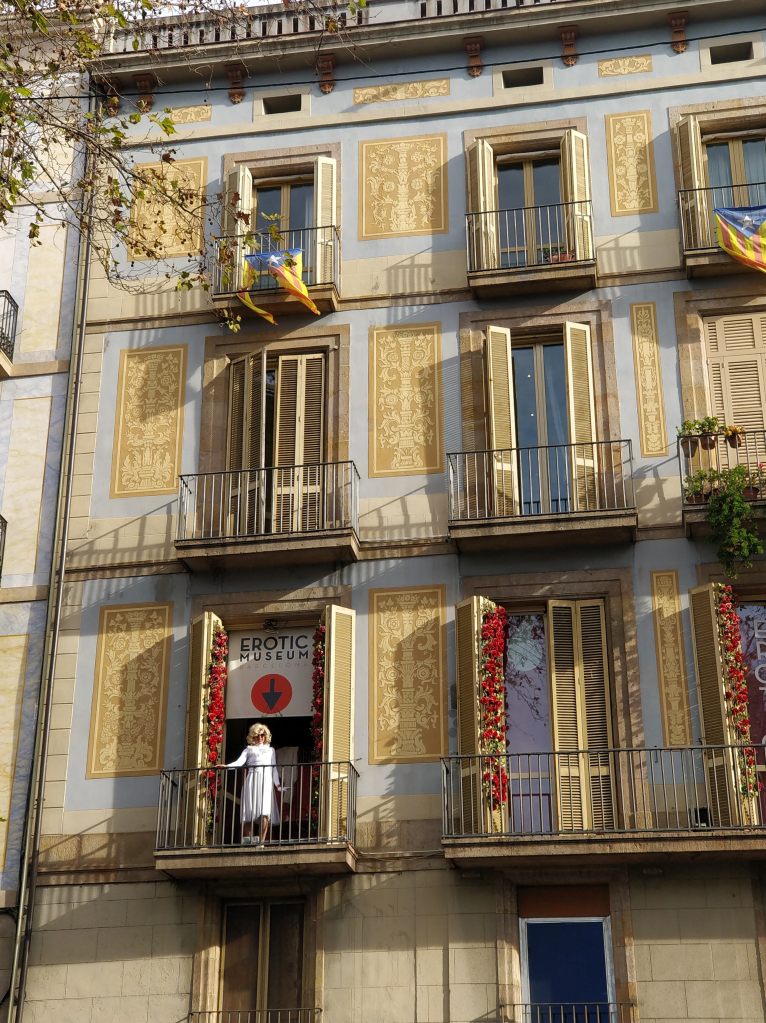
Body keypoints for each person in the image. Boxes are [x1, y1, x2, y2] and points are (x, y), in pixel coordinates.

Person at [227, 723, 282, 846]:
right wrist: (226, 766)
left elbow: (274, 768)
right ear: (253, 737)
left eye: (262, 735)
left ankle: (261, 843)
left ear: (266, 736)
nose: (260, 738)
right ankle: (250, 843)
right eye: (257, 735)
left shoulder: (271, 750)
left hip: (266, 781)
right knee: (248, 813)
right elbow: (239, 762)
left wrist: (277, 785)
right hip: (252, 780)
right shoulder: (248, 750)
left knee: (265, 812)